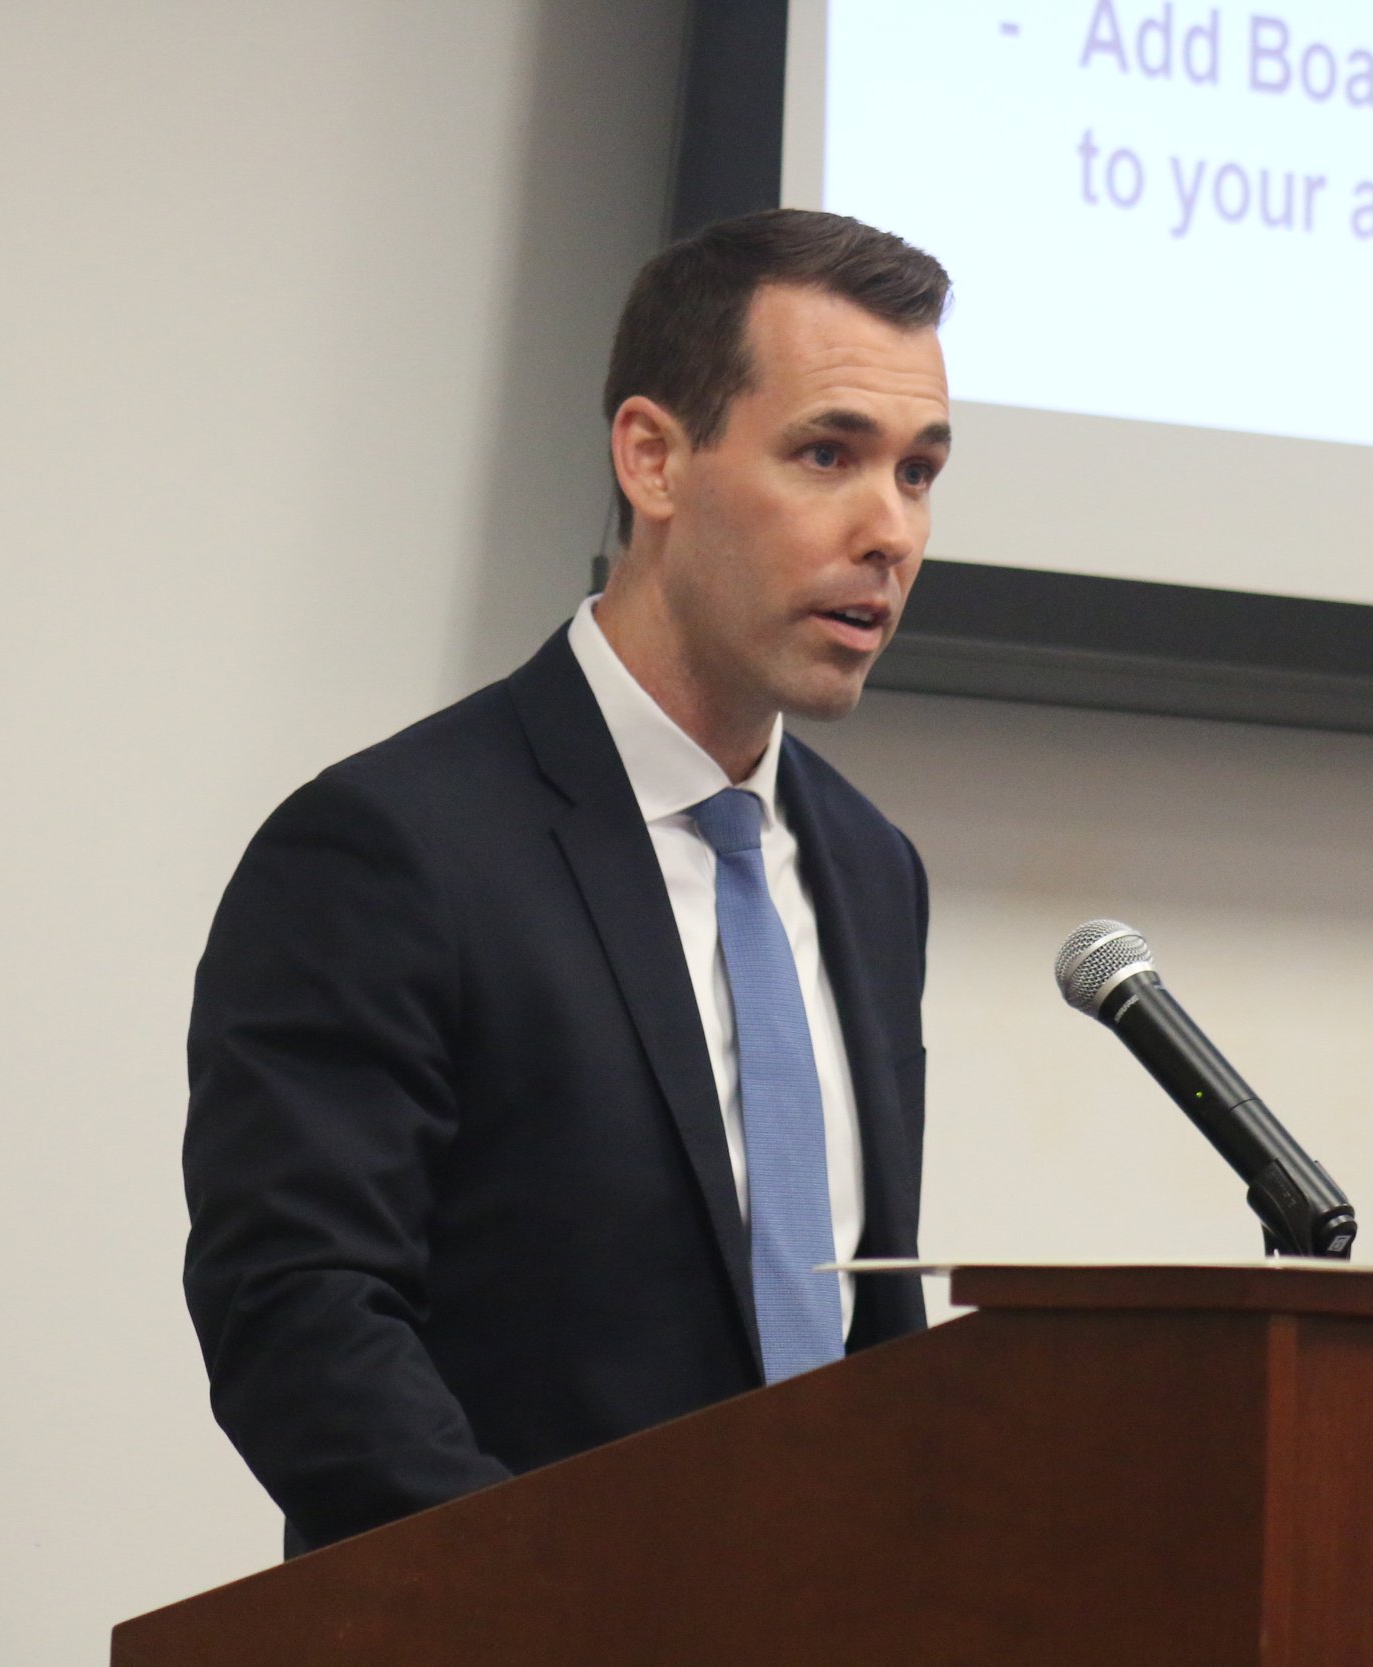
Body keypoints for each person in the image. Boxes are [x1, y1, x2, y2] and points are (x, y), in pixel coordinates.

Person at [182, 209, 953, 1555]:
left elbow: (855, 1330)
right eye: (828, 454)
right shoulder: (391, 849)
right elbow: (300, 1315)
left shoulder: (872, 872)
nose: (889, 529)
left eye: (920, 470)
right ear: (652, 458)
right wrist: (557, 1614)